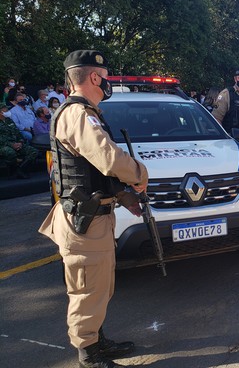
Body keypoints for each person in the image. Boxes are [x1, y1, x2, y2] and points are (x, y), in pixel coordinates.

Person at [38, 50, 149, 368]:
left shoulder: (85, 113)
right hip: (84, 221)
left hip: (94, 216)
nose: (109, 83)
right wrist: (140, 175)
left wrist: (123, 194)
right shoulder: (78, 114)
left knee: (99, 286)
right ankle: (89, 354)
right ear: (95, 78)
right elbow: (109, 159)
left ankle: (97, 342)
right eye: (106, 77)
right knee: (87, 290)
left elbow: (95, 170)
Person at [0, 103, 38, 179]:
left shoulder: (9, 120)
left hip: (16, 143)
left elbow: (17, 133)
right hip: (3, 145)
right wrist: (11, 145)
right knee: (10, 152)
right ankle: (13, 172)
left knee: (33, 151)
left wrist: (20, 142)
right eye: (5, 109)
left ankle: (21, 170)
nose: (8, 111)